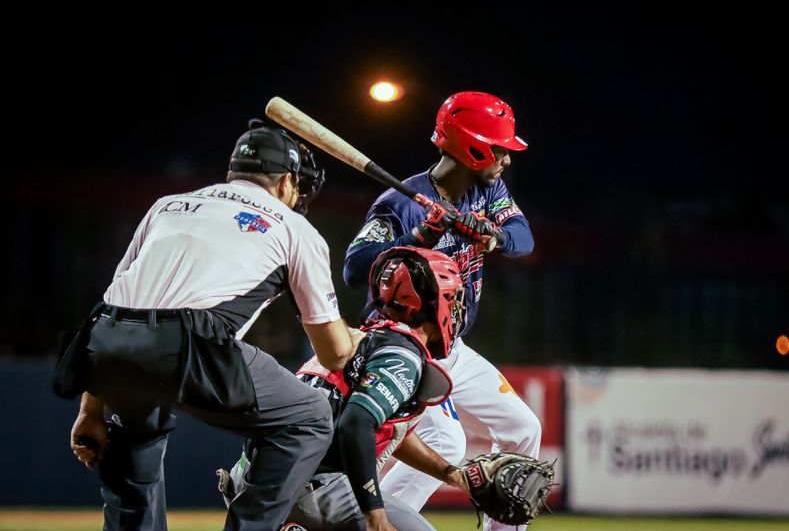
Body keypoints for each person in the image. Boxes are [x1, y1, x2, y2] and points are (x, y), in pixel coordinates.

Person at [56, 118, 361, 530]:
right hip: (189, 344)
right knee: (309, 416)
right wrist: (356, 339)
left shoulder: (167, 205)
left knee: (133, 435)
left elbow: (118, 299)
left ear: (234, 171)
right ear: (287, 180)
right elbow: (334, 354)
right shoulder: (294, 227)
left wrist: (91, 410)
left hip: (106, 339)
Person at [343, 91, 540, 531]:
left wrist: (492, 236)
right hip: (403, 346)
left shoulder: (488, 190)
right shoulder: (400, 203)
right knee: (447, 443)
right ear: (474, 148)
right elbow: (354, 269)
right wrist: (420, 236)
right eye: (499, 149)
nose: (506, 159)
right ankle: (358, 523)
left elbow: (523, 237)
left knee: (524, 429)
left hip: (453, 347)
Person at [219, 247, 470, 531]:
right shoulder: (402, 355)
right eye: (452, 298)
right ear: (431, 302)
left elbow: (379, 426)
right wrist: (374, 516)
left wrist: (453, 475)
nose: (457, 308)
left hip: (255, 477)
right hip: (308, 484)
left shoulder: (361, 340)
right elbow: (356, 424)